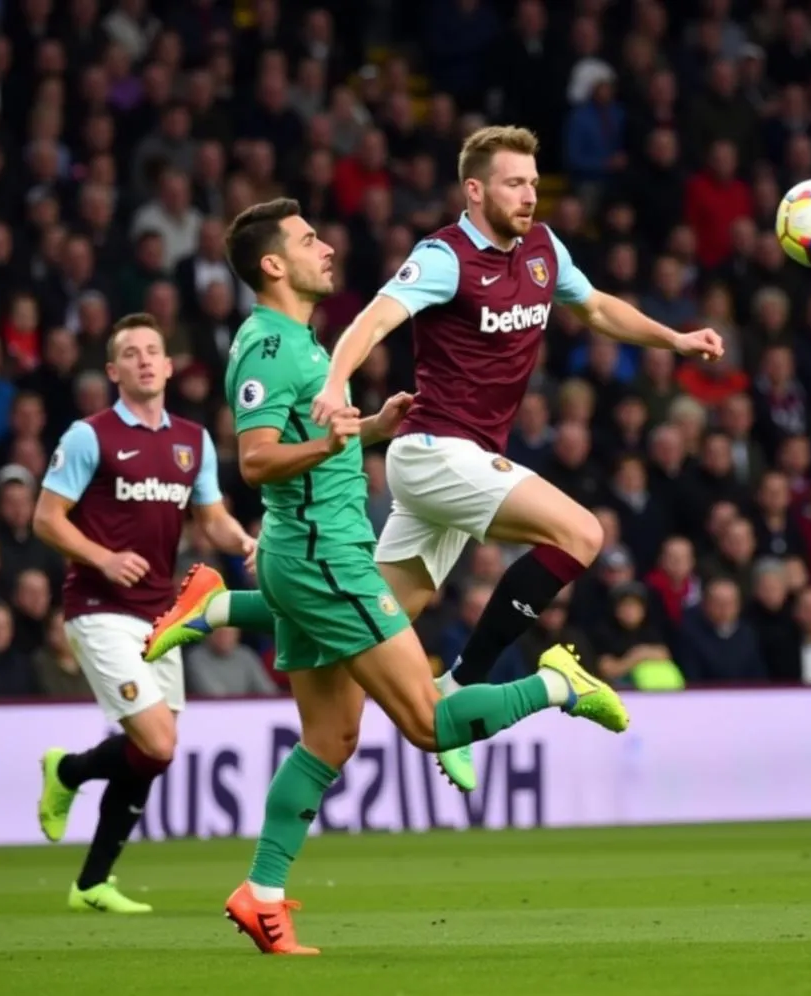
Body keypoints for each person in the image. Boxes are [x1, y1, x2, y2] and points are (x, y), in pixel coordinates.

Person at [145, 125, 719, 793]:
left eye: (534, 182)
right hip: (432, 452)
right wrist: (335, 384)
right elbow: (375, 318)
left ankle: (216, 607)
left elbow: (594, 308)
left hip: (467, 462)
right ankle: (475, 679)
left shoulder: (542, 249)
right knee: (582, 533)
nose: (529, 195)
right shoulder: (443, 257)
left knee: (370, 610)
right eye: (514, 183)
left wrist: (672, 339)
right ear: (474, 191)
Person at [208, 198, 628, 955]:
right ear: (273, 265)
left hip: (314, 554)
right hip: (322, 558)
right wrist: (335, 437)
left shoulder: (299, 343)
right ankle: (560, 684)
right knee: (432, 723)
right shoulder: (270, 349)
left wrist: (363, 431)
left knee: (331, 738)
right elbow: (258, 459)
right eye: (309, 240)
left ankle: (261, 893)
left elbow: (310, 442)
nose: (327, 247)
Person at [32, 313, 255, 912]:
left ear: (170, 363)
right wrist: (102, 558)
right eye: (131, 354)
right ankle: (70, 774)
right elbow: (46, 519)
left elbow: (211, 518)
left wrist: (244, 543)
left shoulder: (193, 440)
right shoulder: (90, 436)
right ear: (113, 370)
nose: (146, 361)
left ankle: (90, 882)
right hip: (99, 607)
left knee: (151, 752)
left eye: (154, 350)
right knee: (155, 743)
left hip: (163, 614)